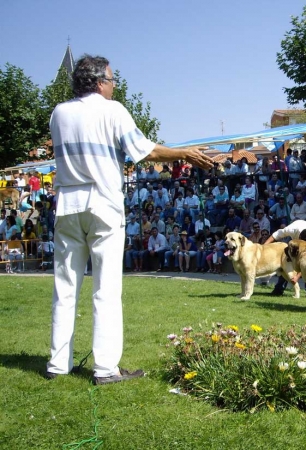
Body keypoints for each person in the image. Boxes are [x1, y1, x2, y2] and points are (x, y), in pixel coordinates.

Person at [46, 54, 213, 384]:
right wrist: (185, 152)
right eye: (111, 80)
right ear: (99, 82)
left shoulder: (58, 113)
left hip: (66, 204)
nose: (113, 86)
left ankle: (57, 365)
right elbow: (145, 151)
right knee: (106, 288)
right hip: (103, 204)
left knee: (64, 289)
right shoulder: (113, 110)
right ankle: (106, 368)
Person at [264, 220, 306, 298]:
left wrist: (297, 277)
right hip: (294, 241)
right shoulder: (291, 229)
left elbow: (305, 263)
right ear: (299, 238)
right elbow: (275, 235)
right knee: (285, 264)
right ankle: (279, 289)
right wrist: (263, 247)